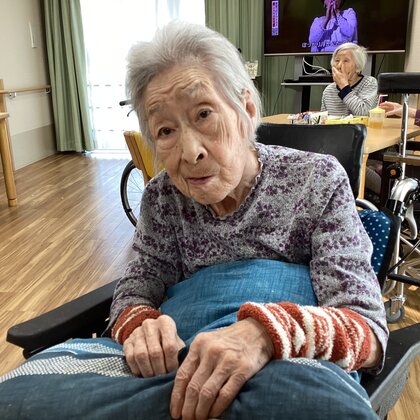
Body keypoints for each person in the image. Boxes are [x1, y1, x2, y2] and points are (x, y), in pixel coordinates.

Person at [0, 22, 387, 420]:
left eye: (204, 114)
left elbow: (368, 332)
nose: (189, 152)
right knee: (17, 395)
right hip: (173, 365)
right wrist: (139, 324)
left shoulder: (316, 180)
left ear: (246, 110)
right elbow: (138, 286)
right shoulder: (162, 197)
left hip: (280, 366)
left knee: (312, 404)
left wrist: (264, 334)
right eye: (165, 130)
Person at [321, 42, 378, 117]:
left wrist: (344, 87)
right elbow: (323, 121)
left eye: (346, 61)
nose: (339, 66)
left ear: (357, 66)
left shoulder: (369, 83)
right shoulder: (328, 90)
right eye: (337, 60)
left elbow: (364, 114)